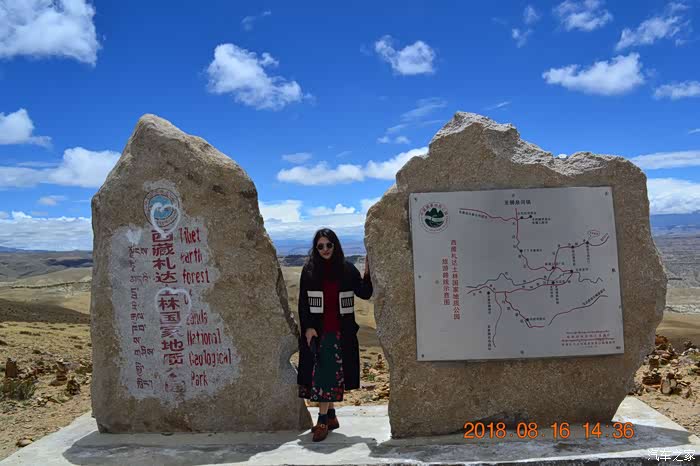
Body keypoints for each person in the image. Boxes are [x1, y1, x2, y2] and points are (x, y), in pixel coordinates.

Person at [297, 228, 372, 442]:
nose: (325, 249)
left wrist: (368, 272)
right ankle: (330, 416)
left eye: (328, 245)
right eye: (320, 246)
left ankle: (323, 420)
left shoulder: (347, 269)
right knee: (324, 374)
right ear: (316, 248)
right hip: (319, 332)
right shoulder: (309, 270)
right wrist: (308, 328)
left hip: (341, 333)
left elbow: (364, 293)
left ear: (335, 245)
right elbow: (303, 302)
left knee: (325, 375)